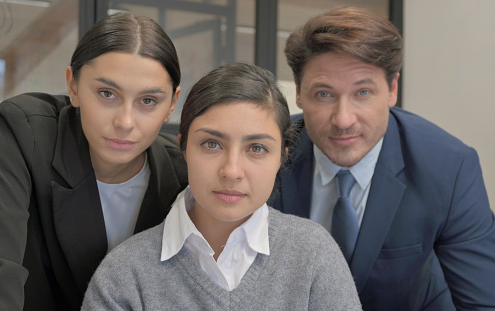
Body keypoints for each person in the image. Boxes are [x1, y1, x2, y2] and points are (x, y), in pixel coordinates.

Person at [269, 6, 495, 311]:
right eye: (324, 94)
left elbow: (492, 305)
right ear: (298, 93)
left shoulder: (447, 168)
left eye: (363, 92)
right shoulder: (265, 154)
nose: (343, 119)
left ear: (392, 90)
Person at [80, 62, 362, 310]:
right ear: (183, 147)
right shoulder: (124, 275)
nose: (232, 171)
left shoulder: (313, 256)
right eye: (211, 144)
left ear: (282, 156)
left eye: (257, 148)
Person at [0, 13, 188, 311]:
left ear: (172, 104)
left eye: (148, 101)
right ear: (73, 86)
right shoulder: (25, 133)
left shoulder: (183, 178)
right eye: (107, 93)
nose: (125, 122)